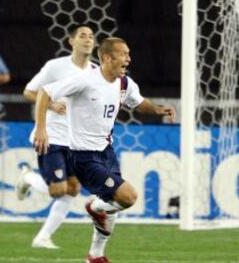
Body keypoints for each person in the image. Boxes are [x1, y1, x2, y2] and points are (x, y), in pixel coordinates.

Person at [33, 37, 175, 262]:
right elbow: (44, 92)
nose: (129, 58)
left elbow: (139, 103)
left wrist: (157, 110)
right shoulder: (85, 80)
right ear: (107, 58)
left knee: (113, 206)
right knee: (127, 197)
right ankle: (95, 207)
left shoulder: (125, 83)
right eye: (124, 54)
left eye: (128, 54)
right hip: (83, 156)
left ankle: (95, 255)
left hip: (106, 151)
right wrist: (41, 128)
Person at [16, 24, 97, 249]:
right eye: (82, 36)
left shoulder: (95, 72)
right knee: (58, 190)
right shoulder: (56, 67)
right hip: (51, 137)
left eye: (91, 36)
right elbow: (29, 92)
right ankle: (28, 179)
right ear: (71, 41)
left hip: (76, 140)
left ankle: (42, 238)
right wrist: (51, 104)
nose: (88, 39)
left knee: (73, 189)